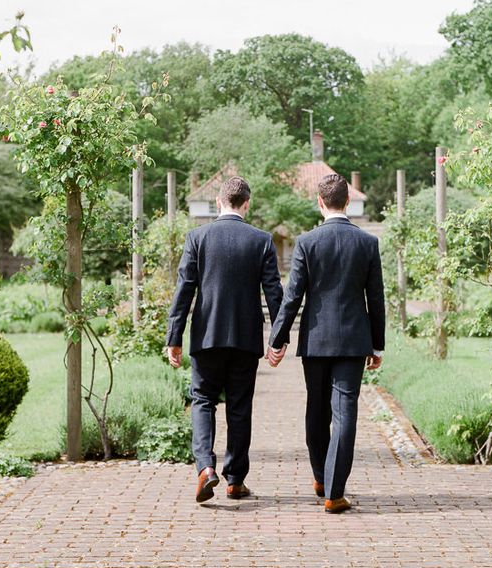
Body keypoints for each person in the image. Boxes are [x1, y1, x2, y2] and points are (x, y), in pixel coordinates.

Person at [267, 173, 385, 514]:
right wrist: (377, 346)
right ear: (348, 202)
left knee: (316, 409)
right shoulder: (367, 243)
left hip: (316, 340)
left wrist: (277, 339)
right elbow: (375, 300)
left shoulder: (307, 242)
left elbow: (292, 298)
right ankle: (333, 491)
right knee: (345, 412)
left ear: (320, 203)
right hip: (353, 341)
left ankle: (321, 476)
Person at [164, 176, 283, 504]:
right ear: (247, 203)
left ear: (219, 201)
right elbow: (274, 292)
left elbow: (184, 290)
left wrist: (174, 337)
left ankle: (205, 468)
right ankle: (234, 481)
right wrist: (279, 337)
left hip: (207, 335)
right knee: (240, 407)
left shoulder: (197, 237)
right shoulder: (261, 240)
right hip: (245, 339)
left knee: (202, 400)